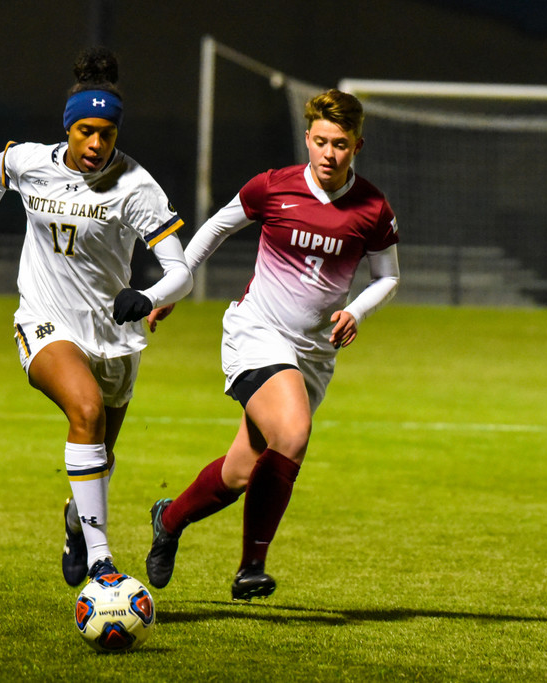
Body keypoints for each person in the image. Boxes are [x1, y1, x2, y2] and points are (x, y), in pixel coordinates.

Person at [0, 47, 192, 585]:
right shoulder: (35, 162)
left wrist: (149, 296)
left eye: (107, 133)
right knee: (84, 410)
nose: (97, 144)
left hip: (113, 336)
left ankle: (77, 525)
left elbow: (182, 272)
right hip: (45, 320)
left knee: (100, 452)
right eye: (86, 131)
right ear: (68, 129)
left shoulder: (136, 187)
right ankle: (103, 561)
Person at [144, 89, 400, 600]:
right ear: (307, 138)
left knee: (241, 471)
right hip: (256, 332)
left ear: (358, 145)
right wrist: (177, 284)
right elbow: (217, 226)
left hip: (312, 354)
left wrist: (357, 310)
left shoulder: (372, 207)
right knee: (294, 432)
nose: (329, 154)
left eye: (341, 144)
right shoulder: (274, 188)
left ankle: (168, 520)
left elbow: (388, 277)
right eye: (322, 142)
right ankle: (250, 568)